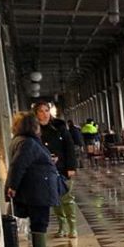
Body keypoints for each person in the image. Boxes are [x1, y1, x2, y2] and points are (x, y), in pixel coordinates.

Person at [6, 112, 64, 247]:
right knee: (40, 221)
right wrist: (12, 186)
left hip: (35, 188)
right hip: (37, 190)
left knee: (39, 221)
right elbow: (18, 165)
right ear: (32, 126)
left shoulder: (21, 141)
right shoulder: (28, 143)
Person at [33, 101, 78, 238]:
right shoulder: (34, 130)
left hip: (63, 168)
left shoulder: (59, 127)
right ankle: (62, 226)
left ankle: (73, 227)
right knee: (55, 199)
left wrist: (71, 166)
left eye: (46, 110)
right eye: (41, 111)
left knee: (67, 197)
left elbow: (69, 147)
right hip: (46, 170)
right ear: (36, 114)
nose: (44, 114)